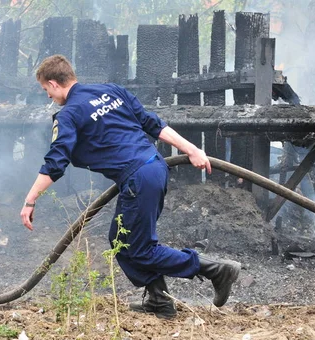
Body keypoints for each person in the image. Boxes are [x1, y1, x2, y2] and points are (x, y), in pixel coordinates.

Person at [20, 54, 240, 319]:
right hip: (154, 168)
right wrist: (191, 149)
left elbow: (57, 161)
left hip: (138, 178)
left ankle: (215, 269)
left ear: (54, 84)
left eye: (46, 90)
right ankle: (160, 300)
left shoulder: (69, 114)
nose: (48, 97)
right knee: (121, 240)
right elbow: (152, 123)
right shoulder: (111, 91)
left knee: (138, 248)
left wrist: (30, 198)